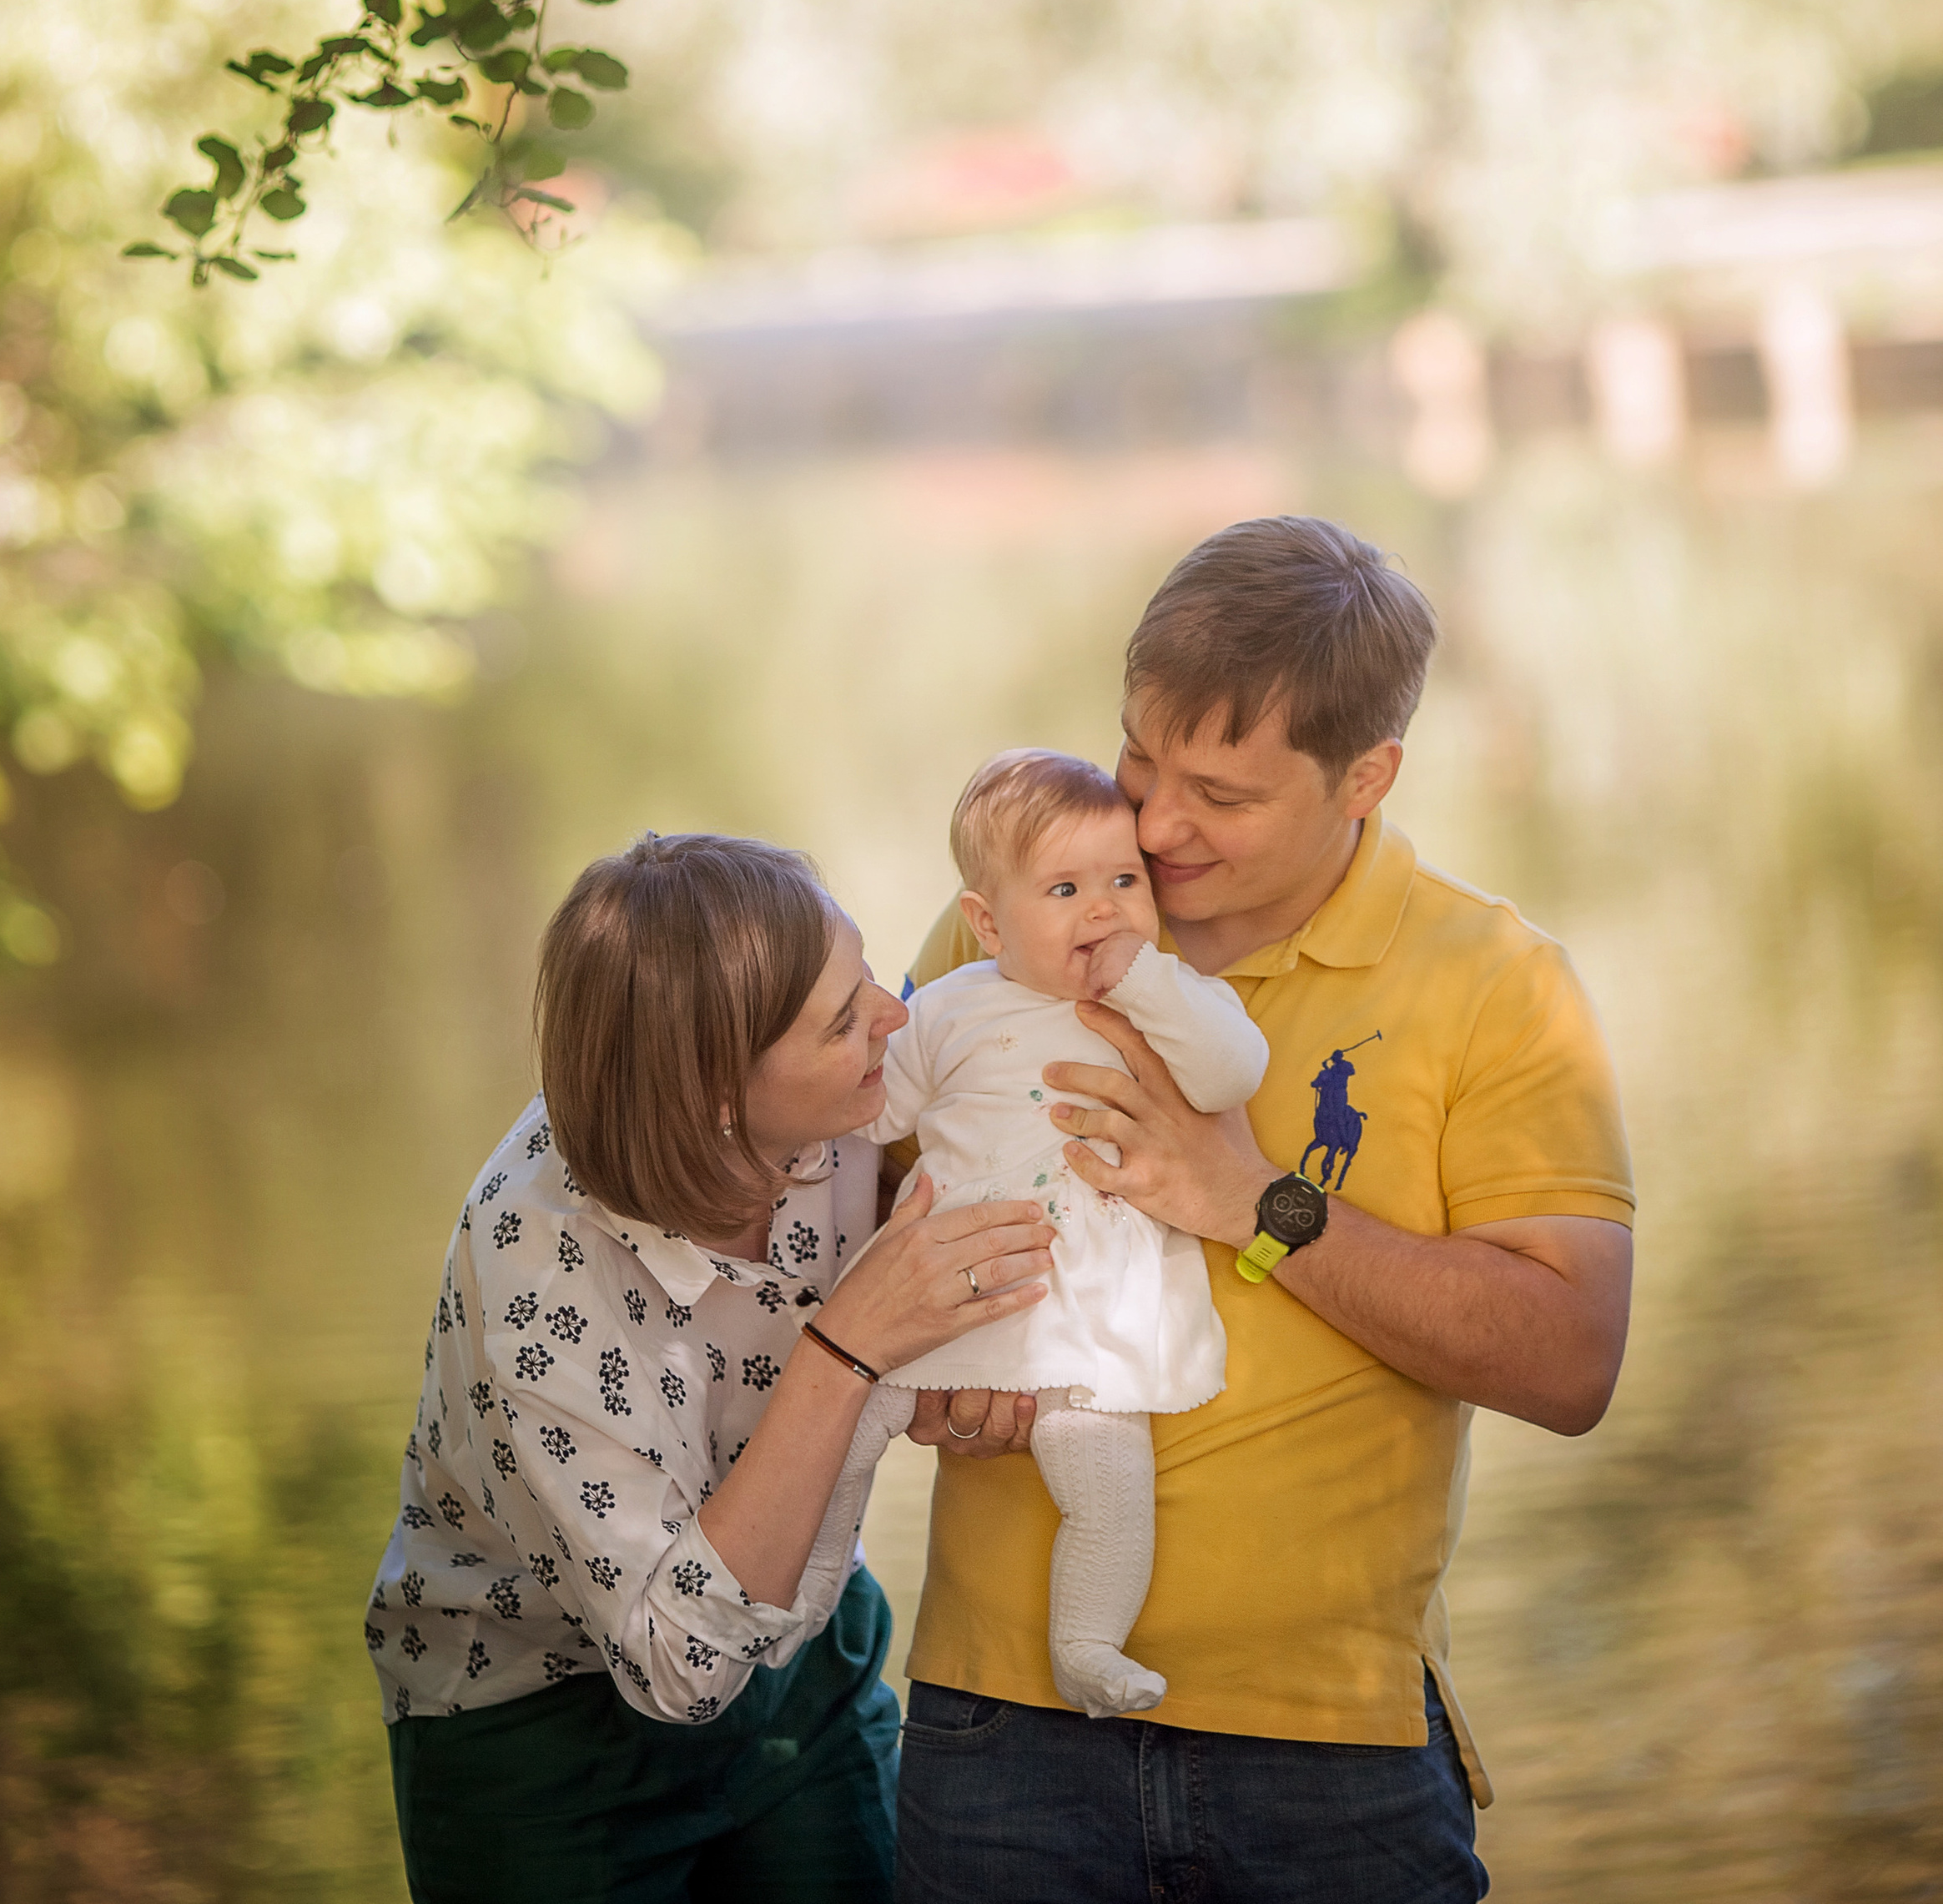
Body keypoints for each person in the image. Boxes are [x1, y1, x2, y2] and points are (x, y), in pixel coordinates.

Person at [893, 516, 1636, 1904]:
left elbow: (1570, 1359)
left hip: (1334, 1762)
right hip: (1002, 1732)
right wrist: (939, 1356)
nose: (1157, 829)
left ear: (1368, 777)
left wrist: (1253, 1201)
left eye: (1222, 796)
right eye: (1140, 758)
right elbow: (870, 1223)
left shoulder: (1495, 983)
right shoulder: (1021, 909)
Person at [365, 831, 1054, 1902]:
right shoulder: (540, 1275)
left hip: (802, 1665)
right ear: (718, 1101)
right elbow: (678, 1667)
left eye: (865, 974)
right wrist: (848, 1351)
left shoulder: (861, 1099)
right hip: (529, 1730)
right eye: (843, 1018)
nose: (895, 1013)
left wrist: (974, 1365)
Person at [803, 746, 1266, 1719]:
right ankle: (808, 1591)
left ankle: (1086, 1645)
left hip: (1092, 1312)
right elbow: (876, 1114)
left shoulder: (1169, 1001)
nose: (1104, 909)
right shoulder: (946, 1009)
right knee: (848, 1426)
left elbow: (1229, 1074)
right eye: (1064, 888)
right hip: (953, 1288)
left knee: (1106, 1481)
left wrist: (1147, 986)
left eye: (1123, 882)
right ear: (985, 921)